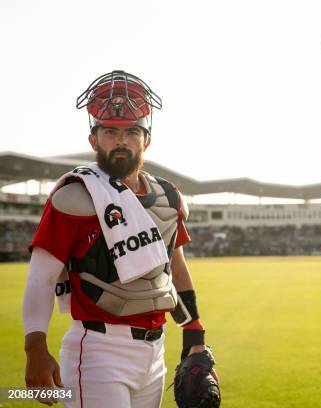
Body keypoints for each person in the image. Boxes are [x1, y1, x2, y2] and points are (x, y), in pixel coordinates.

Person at [22, 70, 218, 407]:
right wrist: (35, 349)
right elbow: (41, 277)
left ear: (146, 140)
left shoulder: (167, 198)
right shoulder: (75, 197)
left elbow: (173, 269)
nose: (121, 140)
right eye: (110, 131)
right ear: (93, 140)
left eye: (131, 131)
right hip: (98, 351)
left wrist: (194, 333)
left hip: (154, 352)